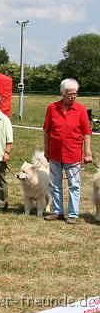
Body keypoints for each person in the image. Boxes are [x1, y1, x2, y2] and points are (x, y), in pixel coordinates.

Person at [43, 78, 93, 224]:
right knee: (55, 184)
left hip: (73, 154)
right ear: (62, 93)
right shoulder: (52, 108)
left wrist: (88, 152)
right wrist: (46, 149)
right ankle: (58, 212)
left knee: (74, 185)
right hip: (55, 154)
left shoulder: (81, 110)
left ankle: (73, 214)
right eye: (70, 94)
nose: (73, 96)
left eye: (75, 94)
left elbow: (86, 132)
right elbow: (47, 130)